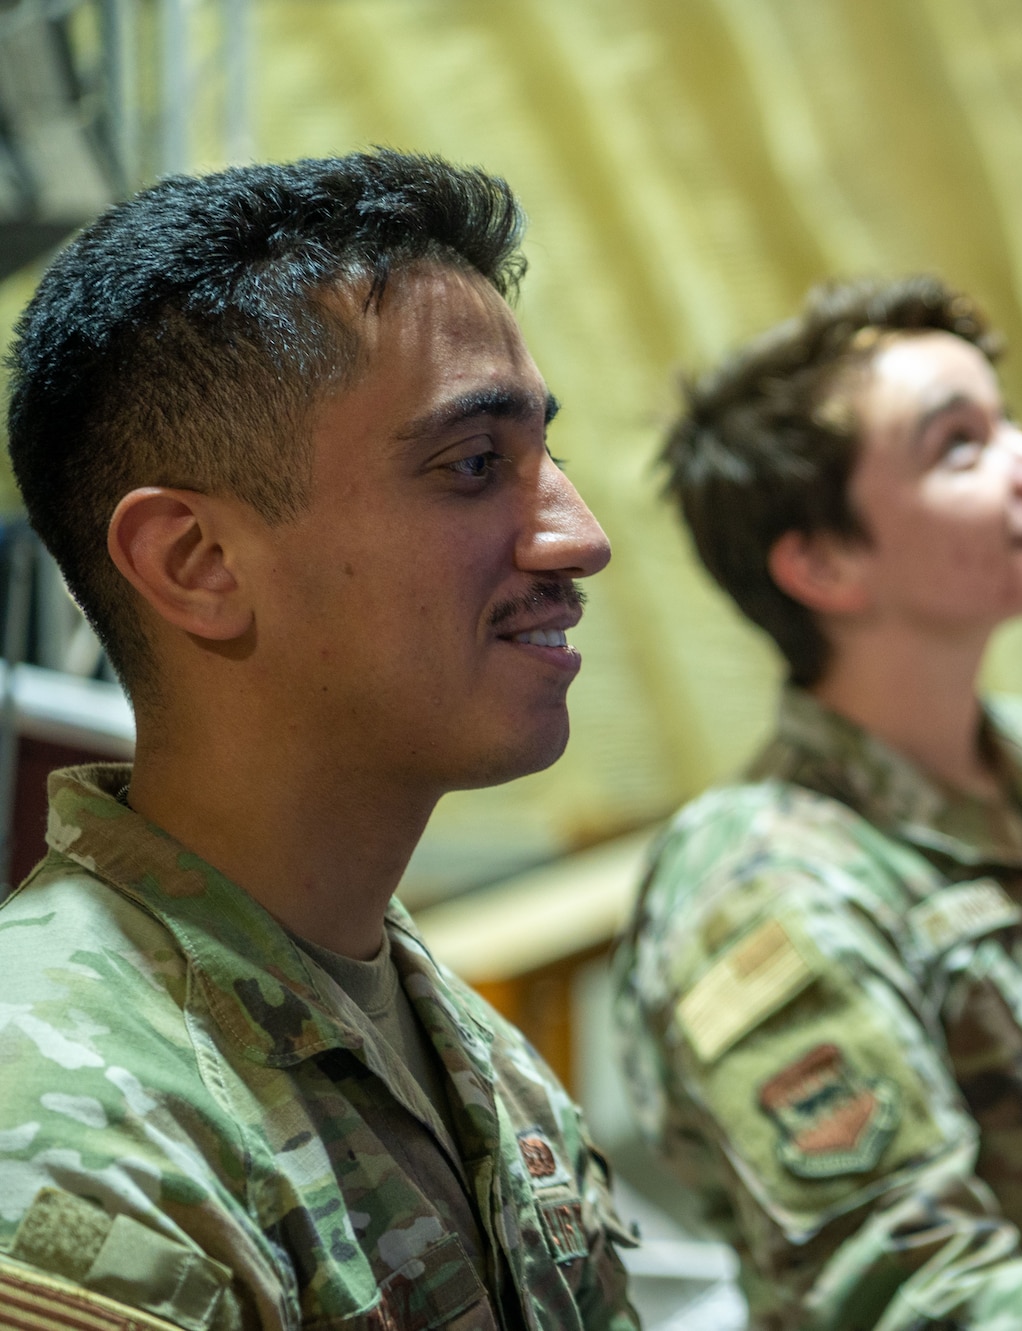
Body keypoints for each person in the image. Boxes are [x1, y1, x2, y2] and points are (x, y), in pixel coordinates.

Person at [0, 152, 637, 1331]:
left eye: (549, 456)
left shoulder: (462, 1053)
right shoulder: (68, 1130)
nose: (576, 537)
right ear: (196, 563)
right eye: (472, 465)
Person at [614, 276, 1022, 1331]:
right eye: (960, 444)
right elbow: (911, 1299)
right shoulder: (765, 885)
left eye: (1005, 421)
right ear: (822, 561)